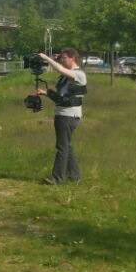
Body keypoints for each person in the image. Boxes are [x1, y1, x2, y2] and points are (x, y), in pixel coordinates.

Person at [33, 48, 87, 184]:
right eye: (61, 58)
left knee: (62, 147)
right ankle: (75, 176)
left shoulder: (79, 74)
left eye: (64, 58)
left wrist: (46, 58)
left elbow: (60, 69)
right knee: (67, 146)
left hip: (68, 115)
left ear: (72, 58)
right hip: (63, 114)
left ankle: (57, 178)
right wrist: (46, 93)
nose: (61, 61)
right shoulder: (65, 77)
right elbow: (62, 97)